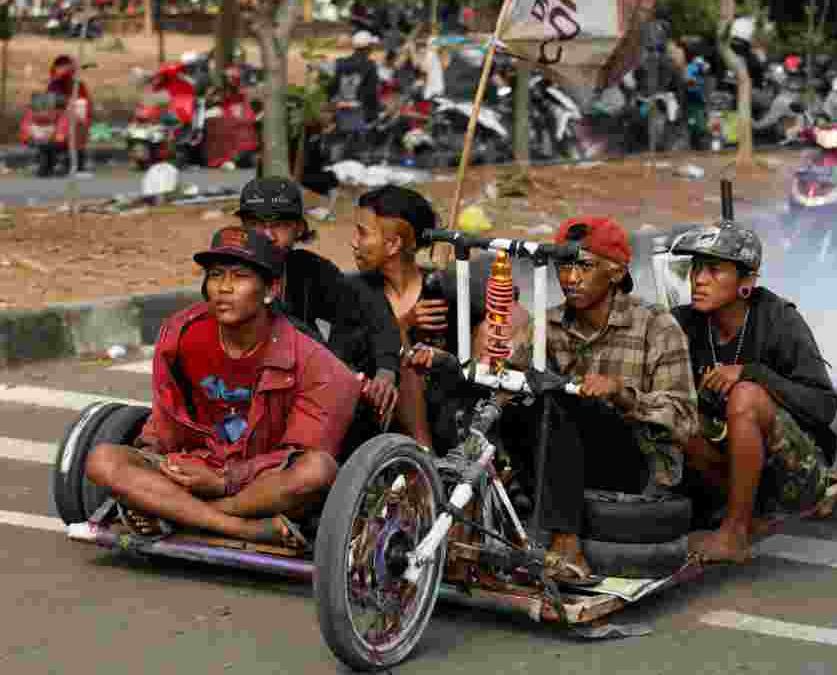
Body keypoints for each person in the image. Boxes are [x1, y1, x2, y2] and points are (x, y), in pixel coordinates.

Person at [414, 216, 700, 585]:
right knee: (482, 393)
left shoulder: (657, 326)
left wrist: (622, 395)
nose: (571, 278)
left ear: (615, 272)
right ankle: (464, 528)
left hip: (633, 464)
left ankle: (567, 543)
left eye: (584, 265)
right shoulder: (546, 325)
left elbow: (685, 420)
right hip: (559, 452)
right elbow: (505, 382)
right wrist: (451, 369)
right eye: (564, 265)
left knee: (557, 397)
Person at [85, 227, 363, 549]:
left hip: (261, 482)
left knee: (317, 471)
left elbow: (305, 456)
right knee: (102, 460)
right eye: (216, 275)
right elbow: (166, 420)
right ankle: (240, 530)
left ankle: (182, 516)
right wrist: (157, 457)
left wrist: (224, 481)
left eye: (240, 277)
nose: (225, 288)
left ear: (271, 289)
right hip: (197, 467)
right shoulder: (181, 334)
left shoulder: (316, 363)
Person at [670, 221, 837, 564]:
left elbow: (824, 405)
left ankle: (735, 534)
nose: (699, 279)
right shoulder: (682, 324)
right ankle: (720, 511)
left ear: (746, 282)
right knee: (669, 413)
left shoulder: (778, 321)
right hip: (728, 473)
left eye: (714, 270)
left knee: (746, 395)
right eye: (696, 268)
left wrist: (753, 373)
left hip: (795, 477)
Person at [351, 185, 527, 451]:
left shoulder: (443, 286)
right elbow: (347, 355)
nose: (354, 242)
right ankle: (426, 459)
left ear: (393, 245)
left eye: (362, 233)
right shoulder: (355, 291)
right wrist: (402, 325)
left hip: (451, 410)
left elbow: (516, 314)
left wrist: (485, 345)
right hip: (382, 416)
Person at [235, 177, 400, 427]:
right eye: (257, 224)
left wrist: (386, 369)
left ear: (299, 229)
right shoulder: (229, 273)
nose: (267, 235)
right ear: (243, 228)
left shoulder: (306, 269)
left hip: (306, 385)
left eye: (279, 225)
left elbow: (366, 303)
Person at [328, 31, 381, 159]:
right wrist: (375, 113)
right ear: (368, 48)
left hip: (341, 108)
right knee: (361, 145)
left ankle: (335, 161)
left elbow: (331, 87)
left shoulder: (340, 62)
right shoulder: (370, 65)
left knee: (339, 138)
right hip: (360, 110)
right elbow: (371, 93)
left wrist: (334, 103)